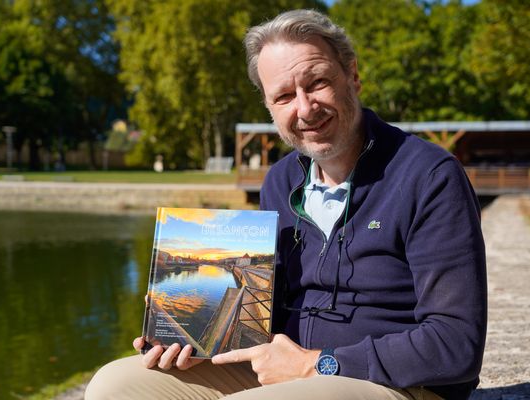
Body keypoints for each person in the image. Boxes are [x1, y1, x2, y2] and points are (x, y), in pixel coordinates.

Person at [85, 9, 487, 400]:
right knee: (113, 386)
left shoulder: (429, 175)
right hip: (286, 373)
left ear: (353, 75)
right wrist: (192, 331)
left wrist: (318, 364)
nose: (305, 108)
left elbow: (456, 344)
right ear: (269, 107)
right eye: (284, 96)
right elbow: (262, 314)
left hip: (395, 384)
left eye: (316, 83)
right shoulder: (280, 181)